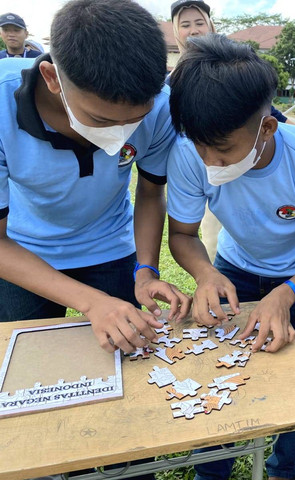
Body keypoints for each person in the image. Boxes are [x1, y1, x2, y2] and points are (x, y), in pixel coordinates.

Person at [167, 34, 295, 480]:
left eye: (224, 150)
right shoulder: (190, 154)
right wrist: (206, 273)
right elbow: (182, 235)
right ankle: (212, 472)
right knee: (219, 378)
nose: (210, 162)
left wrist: (286, 295)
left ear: (266, 127)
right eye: (200, 146)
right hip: (234, 271)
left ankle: (282, 467)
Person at [0, 0, 191, 354]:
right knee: (32, 360)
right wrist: (90, 303)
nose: (121, 135)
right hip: (24, 252)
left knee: (133, 354)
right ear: (52, 79)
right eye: (102, 121)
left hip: (110, 247)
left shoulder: (161, 105)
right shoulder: (1, 105)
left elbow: (150, 193)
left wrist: (146, 270)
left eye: (134, 120)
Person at [168, 0, 292, 260]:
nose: (193, 30)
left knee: (247, 228)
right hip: (202, 170)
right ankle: (218, 278)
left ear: (211, 25)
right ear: (175, 30)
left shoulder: (233, 68)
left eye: (199, 22)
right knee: (211, 236)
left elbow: (263, 112)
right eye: (185, 25)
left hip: (241, 164)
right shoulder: (172, 82)